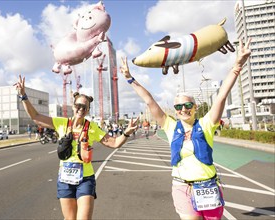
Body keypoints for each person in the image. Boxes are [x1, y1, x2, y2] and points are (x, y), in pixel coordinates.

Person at [119, 38, 251, 220]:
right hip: (182, 188)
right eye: (179, 107)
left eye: (188, 105)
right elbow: (150, 101)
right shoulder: (171, 126)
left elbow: (221, 97)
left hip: (208, 187)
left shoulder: (206, 124)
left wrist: (237, 65)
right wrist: (129, 78)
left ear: (195, 107)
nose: (183, 109)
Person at [14, 76, 138, 220]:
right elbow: (36, 117)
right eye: (78, 106)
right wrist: (23, 96)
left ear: (88, 110)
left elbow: (114, 143)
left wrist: (126, 133)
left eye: (84, 107)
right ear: (73, 107)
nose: (81, 109)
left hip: (85, 179)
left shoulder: (92, 127)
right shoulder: (61, 123)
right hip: (65, 179)